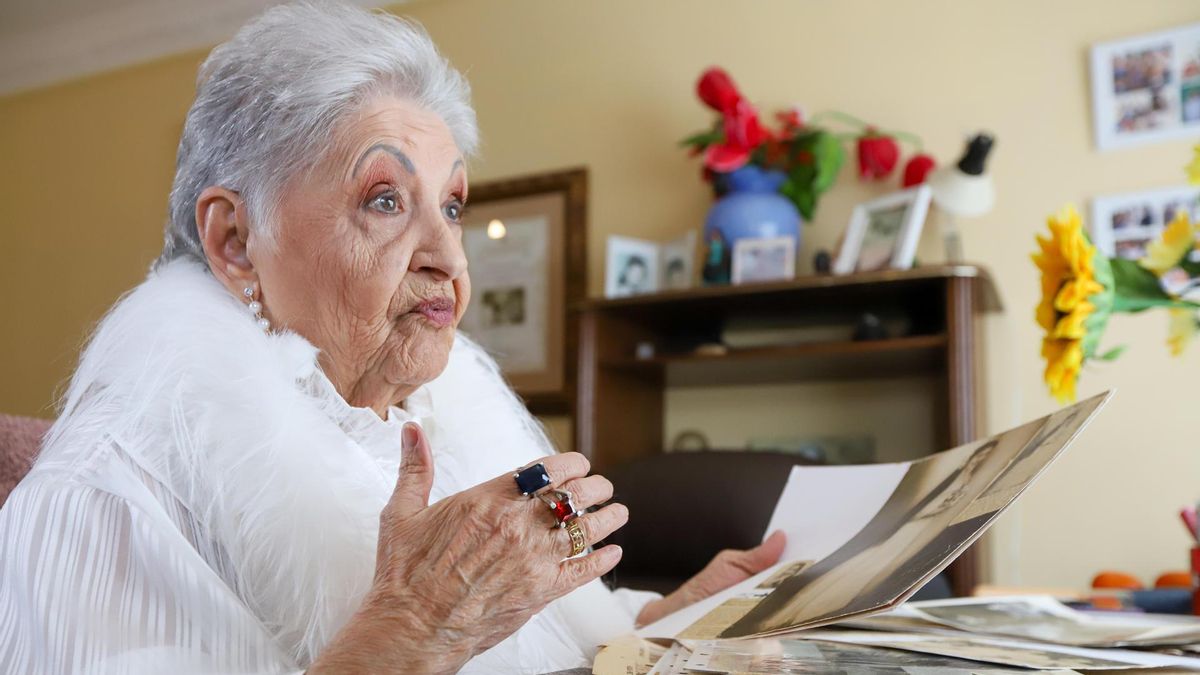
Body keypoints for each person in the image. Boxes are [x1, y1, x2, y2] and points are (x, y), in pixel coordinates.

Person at [0, 3, 784, 673]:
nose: (449, 258)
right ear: (237, 241)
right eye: (383, 199)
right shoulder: (100, 494)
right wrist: (407, 634)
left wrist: (665, 626)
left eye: (450, 206)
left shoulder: (439, 428)